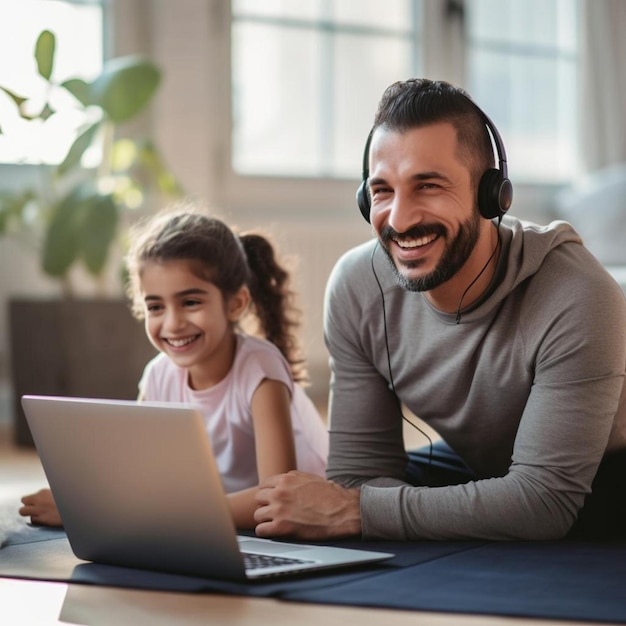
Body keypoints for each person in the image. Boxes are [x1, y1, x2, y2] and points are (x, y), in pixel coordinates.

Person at [253, 78, 626, 542]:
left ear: (491, 195)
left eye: (428, 186)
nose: (401, 218)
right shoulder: (356, 286)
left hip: (606, 478)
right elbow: (358, 475)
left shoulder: (577, 294)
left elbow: (543, 502)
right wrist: (355, 504)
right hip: (488, 465)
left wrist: (355, 510)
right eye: (383, 191)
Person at [19, 206, 328, 529]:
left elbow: (275, 501)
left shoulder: (261, 372)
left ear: (235, 303)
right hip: (216, 507)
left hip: (303, 519)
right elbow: (136, 472)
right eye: (155, 306)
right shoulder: (158, 375)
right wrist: (80, 500)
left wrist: (102, 513)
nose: (173, 323)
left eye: (191, 302)